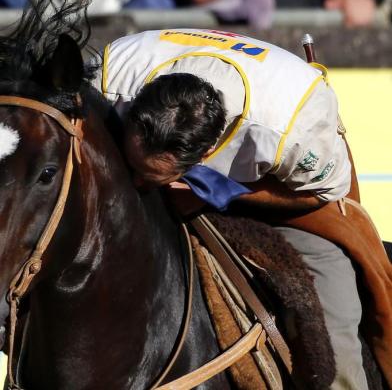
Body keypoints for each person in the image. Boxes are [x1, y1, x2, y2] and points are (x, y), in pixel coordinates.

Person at [92, 29, 392, 389]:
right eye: (136, 168)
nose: (139, 185)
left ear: (205, 155)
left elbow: (323, 195)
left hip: (290, 197)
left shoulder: (295, 126)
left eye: (149, 177)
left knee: (334, 337)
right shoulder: (111, 76)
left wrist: (220, 193)